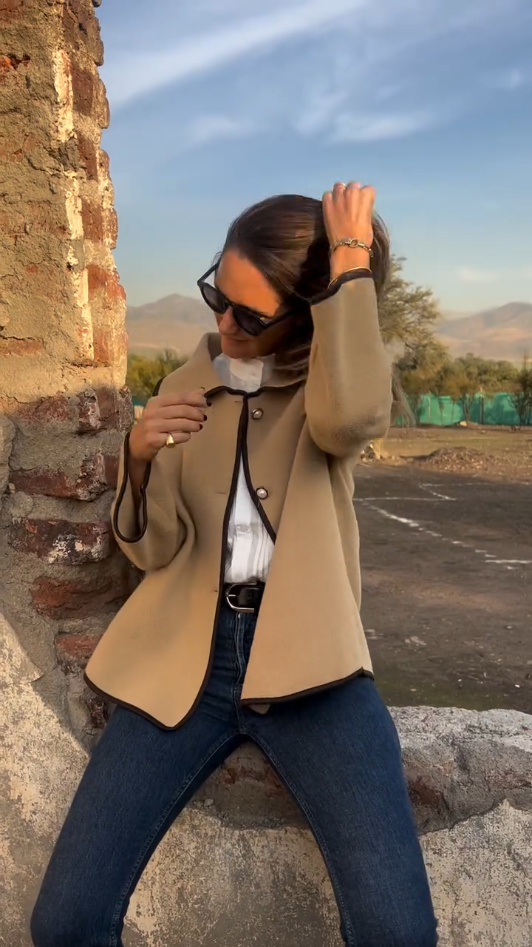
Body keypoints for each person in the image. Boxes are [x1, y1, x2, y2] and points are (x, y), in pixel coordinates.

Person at [31, 182, 438, 947]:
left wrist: (350, 259)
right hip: (186, 662)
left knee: (397, 929)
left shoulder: (326, 394)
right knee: (65, 920)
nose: (224, 323)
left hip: (314, 672)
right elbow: (154, 549)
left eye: (249, 316)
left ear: (303, 317)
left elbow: (355, 413)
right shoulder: (185, 385)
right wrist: (138, 457)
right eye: (218, 295)